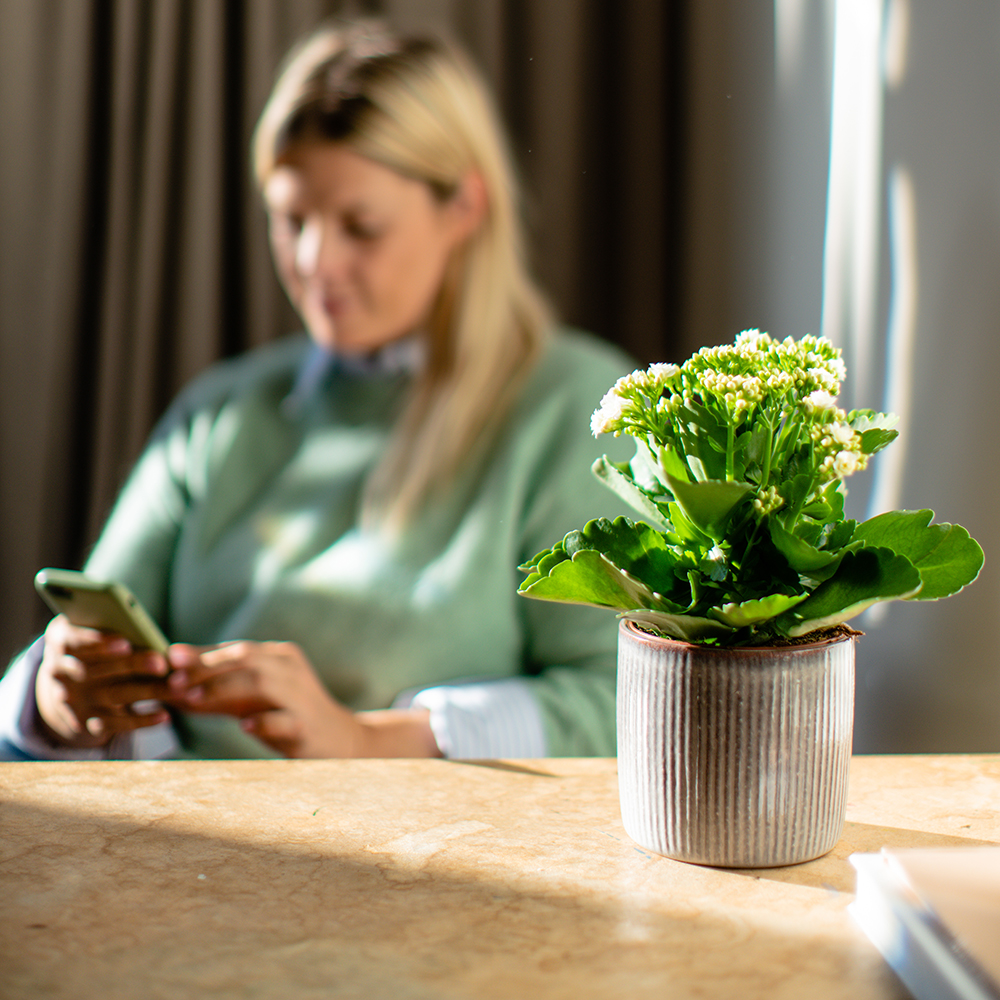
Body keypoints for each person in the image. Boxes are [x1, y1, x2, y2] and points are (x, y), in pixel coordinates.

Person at [0, 19, 633, 761]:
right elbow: (80, 637)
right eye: (291, 219)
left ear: (464, 207)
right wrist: (51, 698)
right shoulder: (221, 413)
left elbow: (618, 701)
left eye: (360, 226)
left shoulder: (578, 412)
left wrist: (369, 742)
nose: (314, 262)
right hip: (173, 846)